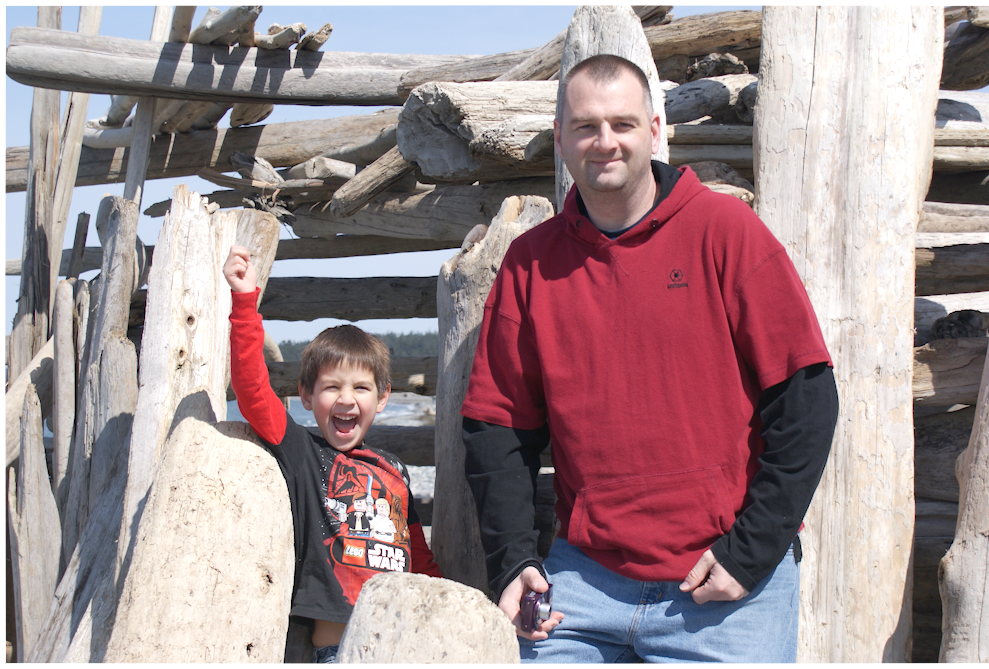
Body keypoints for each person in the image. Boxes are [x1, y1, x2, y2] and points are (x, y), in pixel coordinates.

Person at [461, 54, 838, 663]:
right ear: (559, 137)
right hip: (581, 587)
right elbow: (498, 424)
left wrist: (750, 552)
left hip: (724, 587)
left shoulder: (726, 232)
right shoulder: (530, 264)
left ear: (655, 129)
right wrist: (512, 561)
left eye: (623, 124)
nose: (605, 142)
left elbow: (806, 398)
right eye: (585, 126)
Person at [224, 246, 443, 663]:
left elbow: (418, 554)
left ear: (382, 398)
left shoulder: (394, 470)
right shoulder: (303, 453)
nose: (346, 398)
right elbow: (252, 391)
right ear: (306, 396)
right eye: (331, 387)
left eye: (360, 388)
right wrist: (244, 300)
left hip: (402, 647)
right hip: (336, 651)